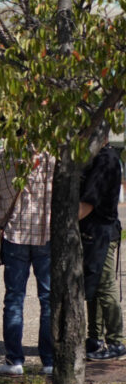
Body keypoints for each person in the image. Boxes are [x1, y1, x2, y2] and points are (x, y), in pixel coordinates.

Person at [0, 147, 55, 376]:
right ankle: (49, 360)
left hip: (14, 235)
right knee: (49, 299)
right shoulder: (51, 156)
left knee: (14, 299)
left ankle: (14, 361)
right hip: (46, 234)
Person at [79, 141, 125, 361]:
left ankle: (116, 341)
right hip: (94, 232)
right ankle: (94, 338)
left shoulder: (105, 160)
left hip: (103, 233)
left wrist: (61, 222)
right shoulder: (99, 158)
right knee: (94, 284)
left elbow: (88, 203)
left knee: (105, 285)